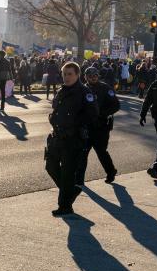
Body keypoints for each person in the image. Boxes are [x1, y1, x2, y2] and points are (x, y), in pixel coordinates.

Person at [46, 61, 98, 216]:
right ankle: (71, 191)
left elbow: (93, 114)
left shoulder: (84, 92)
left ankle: (65, 206)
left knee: (68, 173)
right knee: (50, 166)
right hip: (57, 137)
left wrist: (75, 123)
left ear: (77, 75)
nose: (66, 77)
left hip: (73, 139)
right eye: (64, 74)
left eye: (70, 74)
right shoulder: (62, 90)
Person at [78, 66, 119, 185]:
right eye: (90, 76)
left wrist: (102, 114)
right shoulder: (82, 89)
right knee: (82, 153)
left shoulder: (105, 88)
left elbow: (116, 105)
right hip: (86, 127)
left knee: (101, 152)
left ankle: (111, 171)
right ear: (85, 77)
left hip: (101, 127)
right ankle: (79, 179)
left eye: (95, 75)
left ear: (98, 76)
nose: (93, 78)